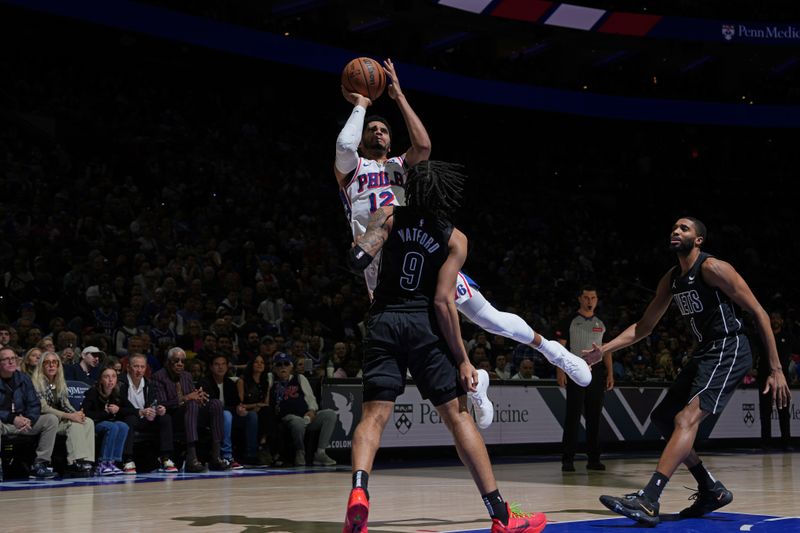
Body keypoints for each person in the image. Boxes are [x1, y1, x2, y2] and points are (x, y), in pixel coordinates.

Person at [334, 66, 591, 430]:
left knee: (488, 317)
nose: (377, 132)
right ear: (363, 140)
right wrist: (360, 103)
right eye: (372, 129)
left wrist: (399, 98)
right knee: (431, 341)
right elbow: (344, 145)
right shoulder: (351, 169)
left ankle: (554, 351)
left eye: (383, 129)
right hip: (382, 272)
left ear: (390, 142)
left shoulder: (399, 166)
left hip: (419, 254)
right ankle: (475, 384)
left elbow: (423, 146)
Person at [342, 161, 545, 533]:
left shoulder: (387, 214)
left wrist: (364, 246)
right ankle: (501, 515)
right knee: (458, 417)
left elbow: (360, 257)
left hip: (384, 319)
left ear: (408, 187)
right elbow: (442, 302)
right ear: (445, 196)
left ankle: (358, 492)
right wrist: (463, 359)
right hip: (423, 327)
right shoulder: (455, 239)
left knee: (373, 416)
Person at [594, 217, 791, 526]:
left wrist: (776, 368)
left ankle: (649, 499)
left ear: (698, 240)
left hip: (730, 347)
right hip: (705, 351)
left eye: (684, 228)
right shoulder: (671, 279)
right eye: (674, 227)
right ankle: (710, 489)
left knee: (686, 419)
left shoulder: (713, 268)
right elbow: (644, 327)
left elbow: (759, 312)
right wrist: (603, 349)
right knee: (663, 419)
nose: (676, 231)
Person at [557, 286, 614, 472]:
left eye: (593, 297)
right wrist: (560, 371)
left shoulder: (602, 322)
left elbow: (607, 350)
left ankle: (594, 459)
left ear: (597, 300)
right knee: (572, 416)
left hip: (596, 373)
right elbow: (560, 348)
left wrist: (610, 373)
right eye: (587, 297)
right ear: (580, 299)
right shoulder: (569, 321)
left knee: (594, 417)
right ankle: (568, 459)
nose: (590, 301)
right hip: (575, 370)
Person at [152, 347, 229, 472]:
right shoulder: (159, 376)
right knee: (192, 404)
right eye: (176, 361)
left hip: (191, 414)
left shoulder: (186, 376)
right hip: (172, 416)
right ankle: (191, 458)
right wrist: (187, 398)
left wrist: (199, 397)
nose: (180, 364)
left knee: (216, 404)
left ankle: (216, 456)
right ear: (168, 362)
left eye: (182, 361)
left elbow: (193, 396)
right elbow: (161, 403)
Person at [32, 351, 96, 477]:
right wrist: (70, 416)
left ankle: (86, 461)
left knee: (87, 421)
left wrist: (77, 414)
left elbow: (66, 404)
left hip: (59, 420)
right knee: (74, 425)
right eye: (47, 362)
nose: (51, 365)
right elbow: (44, 408)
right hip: (44, 422)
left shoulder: (59, 382)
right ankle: (74, 462)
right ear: (41, 365)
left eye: (54, 362)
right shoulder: (36, 383)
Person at [269, 352, 337, 467]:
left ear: (291, 367)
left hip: (306, 416)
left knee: (330, 414)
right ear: (274, 368)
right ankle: (300, 452)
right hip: (287, 417)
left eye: (286, 364)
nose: (283, 367)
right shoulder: (272, 381)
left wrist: (312, 410)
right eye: (279, 365)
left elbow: (310, 398)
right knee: (297, 422)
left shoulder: (300, 378)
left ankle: (320, 453)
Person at [0, 346, 59, 479]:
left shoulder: (24, 378)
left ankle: (40, 465)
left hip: (24, 423)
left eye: (13, 358)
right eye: (6, 359)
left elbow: (34, 404)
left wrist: (29, 419)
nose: (11, 362)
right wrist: (12, 418)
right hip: (4, 424)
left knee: (51, 419)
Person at [117, 353, 178, 473]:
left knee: (165, 418)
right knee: (130, 419)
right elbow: (119, 408)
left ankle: (166, 457)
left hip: (145, 419)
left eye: (142, 367)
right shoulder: (120, 383)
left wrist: (158, 409)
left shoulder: (149, 383)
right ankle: (128, 459)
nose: (139, 370)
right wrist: (139, 412)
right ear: (128, 367)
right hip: (128, 418)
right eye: (136, 366)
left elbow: (152, 403)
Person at [81, 367, 131, 475]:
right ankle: (102, 463)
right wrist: (105, 413)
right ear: (100, 380)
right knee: (113, 426)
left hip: (109, 422)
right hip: (93, 422)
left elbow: (130, 409)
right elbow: (85, 412)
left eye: (113, 376)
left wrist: (119, 410)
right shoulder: (93, 392)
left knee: (123, 426)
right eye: (106, 377)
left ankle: (113, 462)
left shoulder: (117, 393)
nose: (110, 380)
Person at [757, 310, 794, 450]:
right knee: (765, 412)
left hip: (782, 381)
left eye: (778, 318)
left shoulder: (788, 337)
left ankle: (787, 442)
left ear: (782, 321)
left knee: (784, 412)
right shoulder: (763, 336)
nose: (775, 320)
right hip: (764, 379)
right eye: (773, 318)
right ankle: (766, 442)